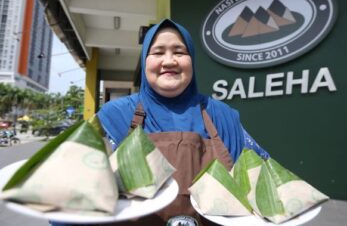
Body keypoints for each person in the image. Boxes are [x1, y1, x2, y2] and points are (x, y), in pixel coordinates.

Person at [50, 19, 269, 226]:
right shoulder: (115, 115)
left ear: (192, 59)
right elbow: (68, 191)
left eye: (179, 52)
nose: (169, 61)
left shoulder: (222, 115)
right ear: (145, 60)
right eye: (158, 52)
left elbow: (264, 180)